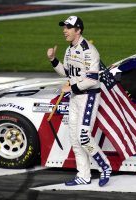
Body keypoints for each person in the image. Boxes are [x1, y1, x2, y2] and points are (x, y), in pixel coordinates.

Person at [47, 16, 112, 187]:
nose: (64, 30)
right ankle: (83, 175)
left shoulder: (89, 51)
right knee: (75, 139)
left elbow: (92, 80)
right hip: (75, 98)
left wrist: (72, 89)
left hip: (89, 96)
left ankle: (105, 167)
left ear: (78, 30)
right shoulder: (69, 50)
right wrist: (53, 60)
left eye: (68, 27)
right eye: (64, 27)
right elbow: (68, 74)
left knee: (83, 137)